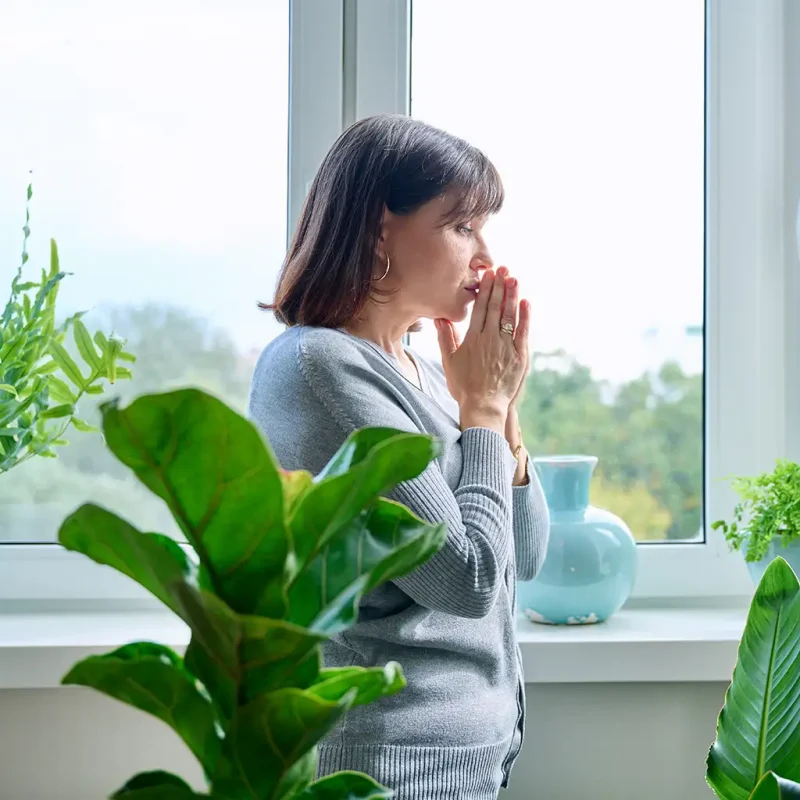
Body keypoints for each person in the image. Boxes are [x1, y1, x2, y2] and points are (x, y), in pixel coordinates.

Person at [248, 113, 550, 800]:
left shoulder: (429, 374)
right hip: (384, 766)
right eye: (462, 225)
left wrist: (502, 411)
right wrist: (481, 411)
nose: (484, 255)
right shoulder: (320, 367)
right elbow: (466, 584)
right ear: (381, 226)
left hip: (467, 761)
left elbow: (522, 558)